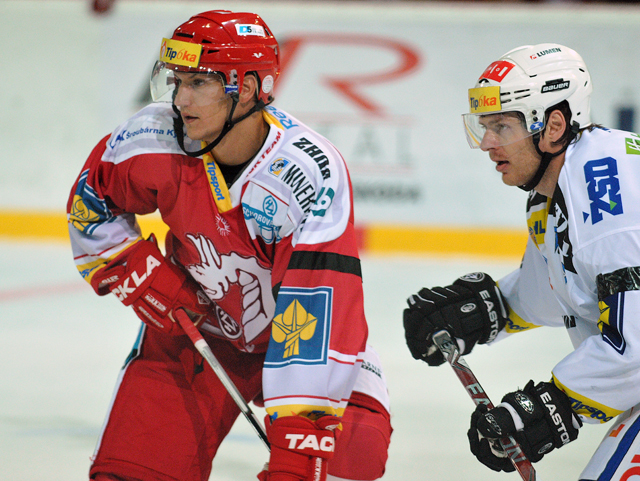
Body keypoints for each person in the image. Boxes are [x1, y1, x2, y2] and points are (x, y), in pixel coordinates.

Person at [67, 10, 391, 481]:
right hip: (197, 332)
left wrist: (301, 432)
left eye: (199, 83)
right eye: (178, 82)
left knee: (351, 462)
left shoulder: (306, 171)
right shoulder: (153, 136)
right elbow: (91, 200)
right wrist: (132, 267)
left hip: (299, 335)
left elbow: (320, 301)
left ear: (250, 88)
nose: (181, 99)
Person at [403, 43, 640, 480]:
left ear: (553, 126)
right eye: (485, 127)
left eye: (502, 126)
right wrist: (487, 310)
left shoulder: (606, 196)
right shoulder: (556, 193)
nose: (486, 144)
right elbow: (562, 292)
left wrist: (553, 408)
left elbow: (637, 347)